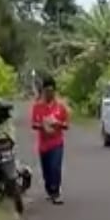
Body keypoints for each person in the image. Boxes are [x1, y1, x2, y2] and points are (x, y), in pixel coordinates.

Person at [31, 76, 70, 205]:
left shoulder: (60, 107)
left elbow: (66, 125)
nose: (49, 94)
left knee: (55, 167)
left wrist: (57, 123)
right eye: (46, 91)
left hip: (57, 143)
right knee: (47, 171)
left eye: (51, 91)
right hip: (43, 144)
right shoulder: (38, 106)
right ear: (43, 91)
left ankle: (56, 192)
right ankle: (50, 189)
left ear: (54, 91)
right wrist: (43, 125)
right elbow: (33, 124)